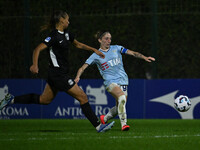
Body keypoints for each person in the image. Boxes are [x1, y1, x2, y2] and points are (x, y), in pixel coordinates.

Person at [0, 11, 115, 133]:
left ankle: (11, 99)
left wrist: (94, 50)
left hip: (58, 74)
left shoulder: (66, 34)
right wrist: (35, 64)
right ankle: (98, 126)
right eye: (67, 20)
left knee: (44, 100)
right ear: (61, 20)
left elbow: (78, 44)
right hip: (58, 74)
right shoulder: (54, 36)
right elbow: (37, 49)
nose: (68, 22)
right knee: (83, 97)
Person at [75, 31, 155, 131]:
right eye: (106, 38)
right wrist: (78, 77)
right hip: (110, 82)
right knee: (121, 98)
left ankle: (105, 118)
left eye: (110, 38)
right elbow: (82, 68)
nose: (109, 41)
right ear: (100, 40)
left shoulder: (116, 48)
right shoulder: (96, 55)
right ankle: (124, 124)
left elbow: (133, 53)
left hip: (123, 80)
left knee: (120, 106)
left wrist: (144, 57)